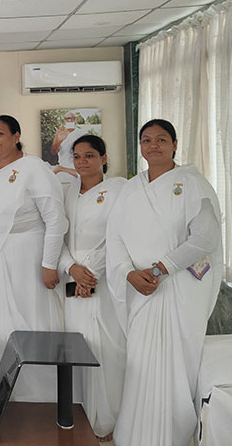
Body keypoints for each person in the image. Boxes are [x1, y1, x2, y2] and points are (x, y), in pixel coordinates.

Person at [106, 119, 222, 446]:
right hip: (139, 290)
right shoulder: (130, 188)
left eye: (161, 139)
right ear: (140, 146)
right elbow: (113, 237)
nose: (153, 145)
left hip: (177, 288)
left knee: (175, 363)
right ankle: (134, 434)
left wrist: (160, 269)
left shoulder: (193, 183)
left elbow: (205, 238)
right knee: (141, 362)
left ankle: (173, 435)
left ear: (174, 144)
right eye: (146, 140)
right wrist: (129, 273)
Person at [0, 115, 67, 401]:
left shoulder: (35, 168)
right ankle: (3, 395)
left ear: (16, 136)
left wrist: (49, 264)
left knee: (30, 320)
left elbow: (55, 219)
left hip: (28, 257)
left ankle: (38, 397)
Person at [57, 135, 126, 442]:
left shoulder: (119, 190)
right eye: (77, 156)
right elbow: (57, 236)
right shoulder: (67, 192)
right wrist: (72, 269)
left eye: (89, 155)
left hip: (104, 283)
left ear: (103, 158)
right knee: (79, 348)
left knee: (106, 351)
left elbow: (119, 236)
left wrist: (90, 274)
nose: (82, 162)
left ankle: (108, 421)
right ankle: (85, 415)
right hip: (72, 283)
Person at [51, 111, 85, 182]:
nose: (70, 120)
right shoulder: (59, 133)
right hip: (62, 166)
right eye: (67, 119)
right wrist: (59, 140)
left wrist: (60, 168)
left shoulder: (82, 134)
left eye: (72, 118)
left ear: (76, 120)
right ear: (64, 120)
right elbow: (54, 151)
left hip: (76, 168)